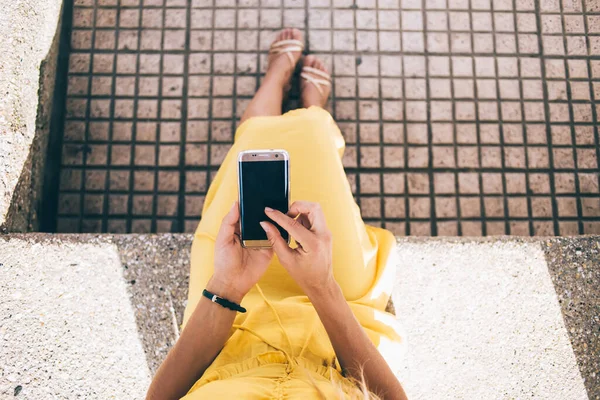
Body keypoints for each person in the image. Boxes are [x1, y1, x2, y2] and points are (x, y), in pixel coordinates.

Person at [147, 28, 407, 400]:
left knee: (253, 149)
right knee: (314, 142)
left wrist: (228, 285)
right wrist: (321, 286)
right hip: (338, 316)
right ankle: (313, 107)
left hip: (227, 319)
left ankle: (277, 76)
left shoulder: (228, 287)